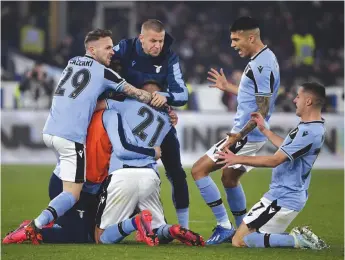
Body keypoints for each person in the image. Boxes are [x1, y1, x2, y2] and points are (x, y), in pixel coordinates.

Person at [24, 28, 155, 245]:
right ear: (92, 50)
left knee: (76, 212)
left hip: (51, 130)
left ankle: (46, 224)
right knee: (72, 196)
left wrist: (104, 101)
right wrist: (156, 99)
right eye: (107, 47)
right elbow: (136, 93)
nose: (111, 52)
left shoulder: (73, 62)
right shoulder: (105, 74)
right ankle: (35, 226)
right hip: (71, 137)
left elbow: (83, 96)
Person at [192, 16, 281, 245]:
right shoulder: (265, 58)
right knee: (230, 178)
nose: (232, 44)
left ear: (251, 37)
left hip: (246, 134)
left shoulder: (261, 65)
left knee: (198, 170)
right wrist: (229, 87)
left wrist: (238, 135)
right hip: (251, 135)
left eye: (235, 39)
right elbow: (252, 98)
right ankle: (242, 230)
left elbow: (262, 109)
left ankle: (224, 226)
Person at [216, 82, 329, 250]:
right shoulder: (311, 127)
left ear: (309, 101)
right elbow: (287, 149)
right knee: (248, 237)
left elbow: (275, 160)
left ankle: (297, 240)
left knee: (239, 241)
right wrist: (265, 130)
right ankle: (296, 238)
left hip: (283, 197)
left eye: (298, 96)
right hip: (284, 194)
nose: (294, 100)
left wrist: (236, 158)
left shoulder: (309, 132)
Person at [94, 83, 203, 246]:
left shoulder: (124, 104)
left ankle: (135, 222)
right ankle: (172, 230)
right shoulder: (166, 121)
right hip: (150, 176)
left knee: (100, 237)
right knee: (158, 230)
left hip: (122, 174)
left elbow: (96, 106)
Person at [109, 19, 190, 228]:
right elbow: (102, 67)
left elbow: (182, 94)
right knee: (118, 171)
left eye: (161, 41)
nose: (158, 46)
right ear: (141, 38)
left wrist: (165, 96)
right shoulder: (124, 48)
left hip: (158, 123)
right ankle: (115, 221)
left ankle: (184, 227)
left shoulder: (169, 56)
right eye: (153, 41)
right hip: (125, 122)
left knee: (177, 173)